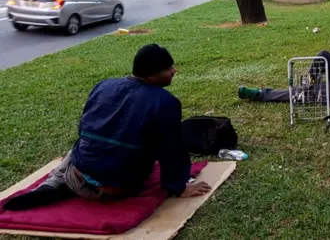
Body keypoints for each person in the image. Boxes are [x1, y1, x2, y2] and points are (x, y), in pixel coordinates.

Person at [3, 44, 211, 211]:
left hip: (80, 172)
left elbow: (86, 127)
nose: (174, 71)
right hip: (116, 187)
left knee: (89, 142)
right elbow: (171, 150)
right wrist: (177, 187)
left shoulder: (104, 85)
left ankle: (53, 184)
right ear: (151, 75)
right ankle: (59, 185)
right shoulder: (165, 102)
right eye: (168, 68)